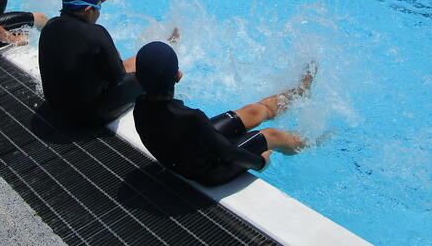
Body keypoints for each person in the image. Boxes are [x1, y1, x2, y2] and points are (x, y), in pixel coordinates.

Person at [133, 41, 314, 187]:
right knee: (271, 135)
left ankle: (298, 92)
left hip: (191, 152)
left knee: (252, 111)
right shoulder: (190, 117)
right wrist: (260, 163)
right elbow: (227, 153)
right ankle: (310, 142)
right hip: (210, 172)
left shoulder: (140, 107)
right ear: (178, 75)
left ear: (138, 78)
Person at [38, 0, 173, 126]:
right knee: (148, 69)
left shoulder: (50, 26)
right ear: (87, 10)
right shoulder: (96, 34)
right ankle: (169, 52)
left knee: (129, 62)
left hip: (56, 109)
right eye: (98, 8)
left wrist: (95, 2)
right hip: (87, 117)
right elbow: (119, 77)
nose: (99, 12)